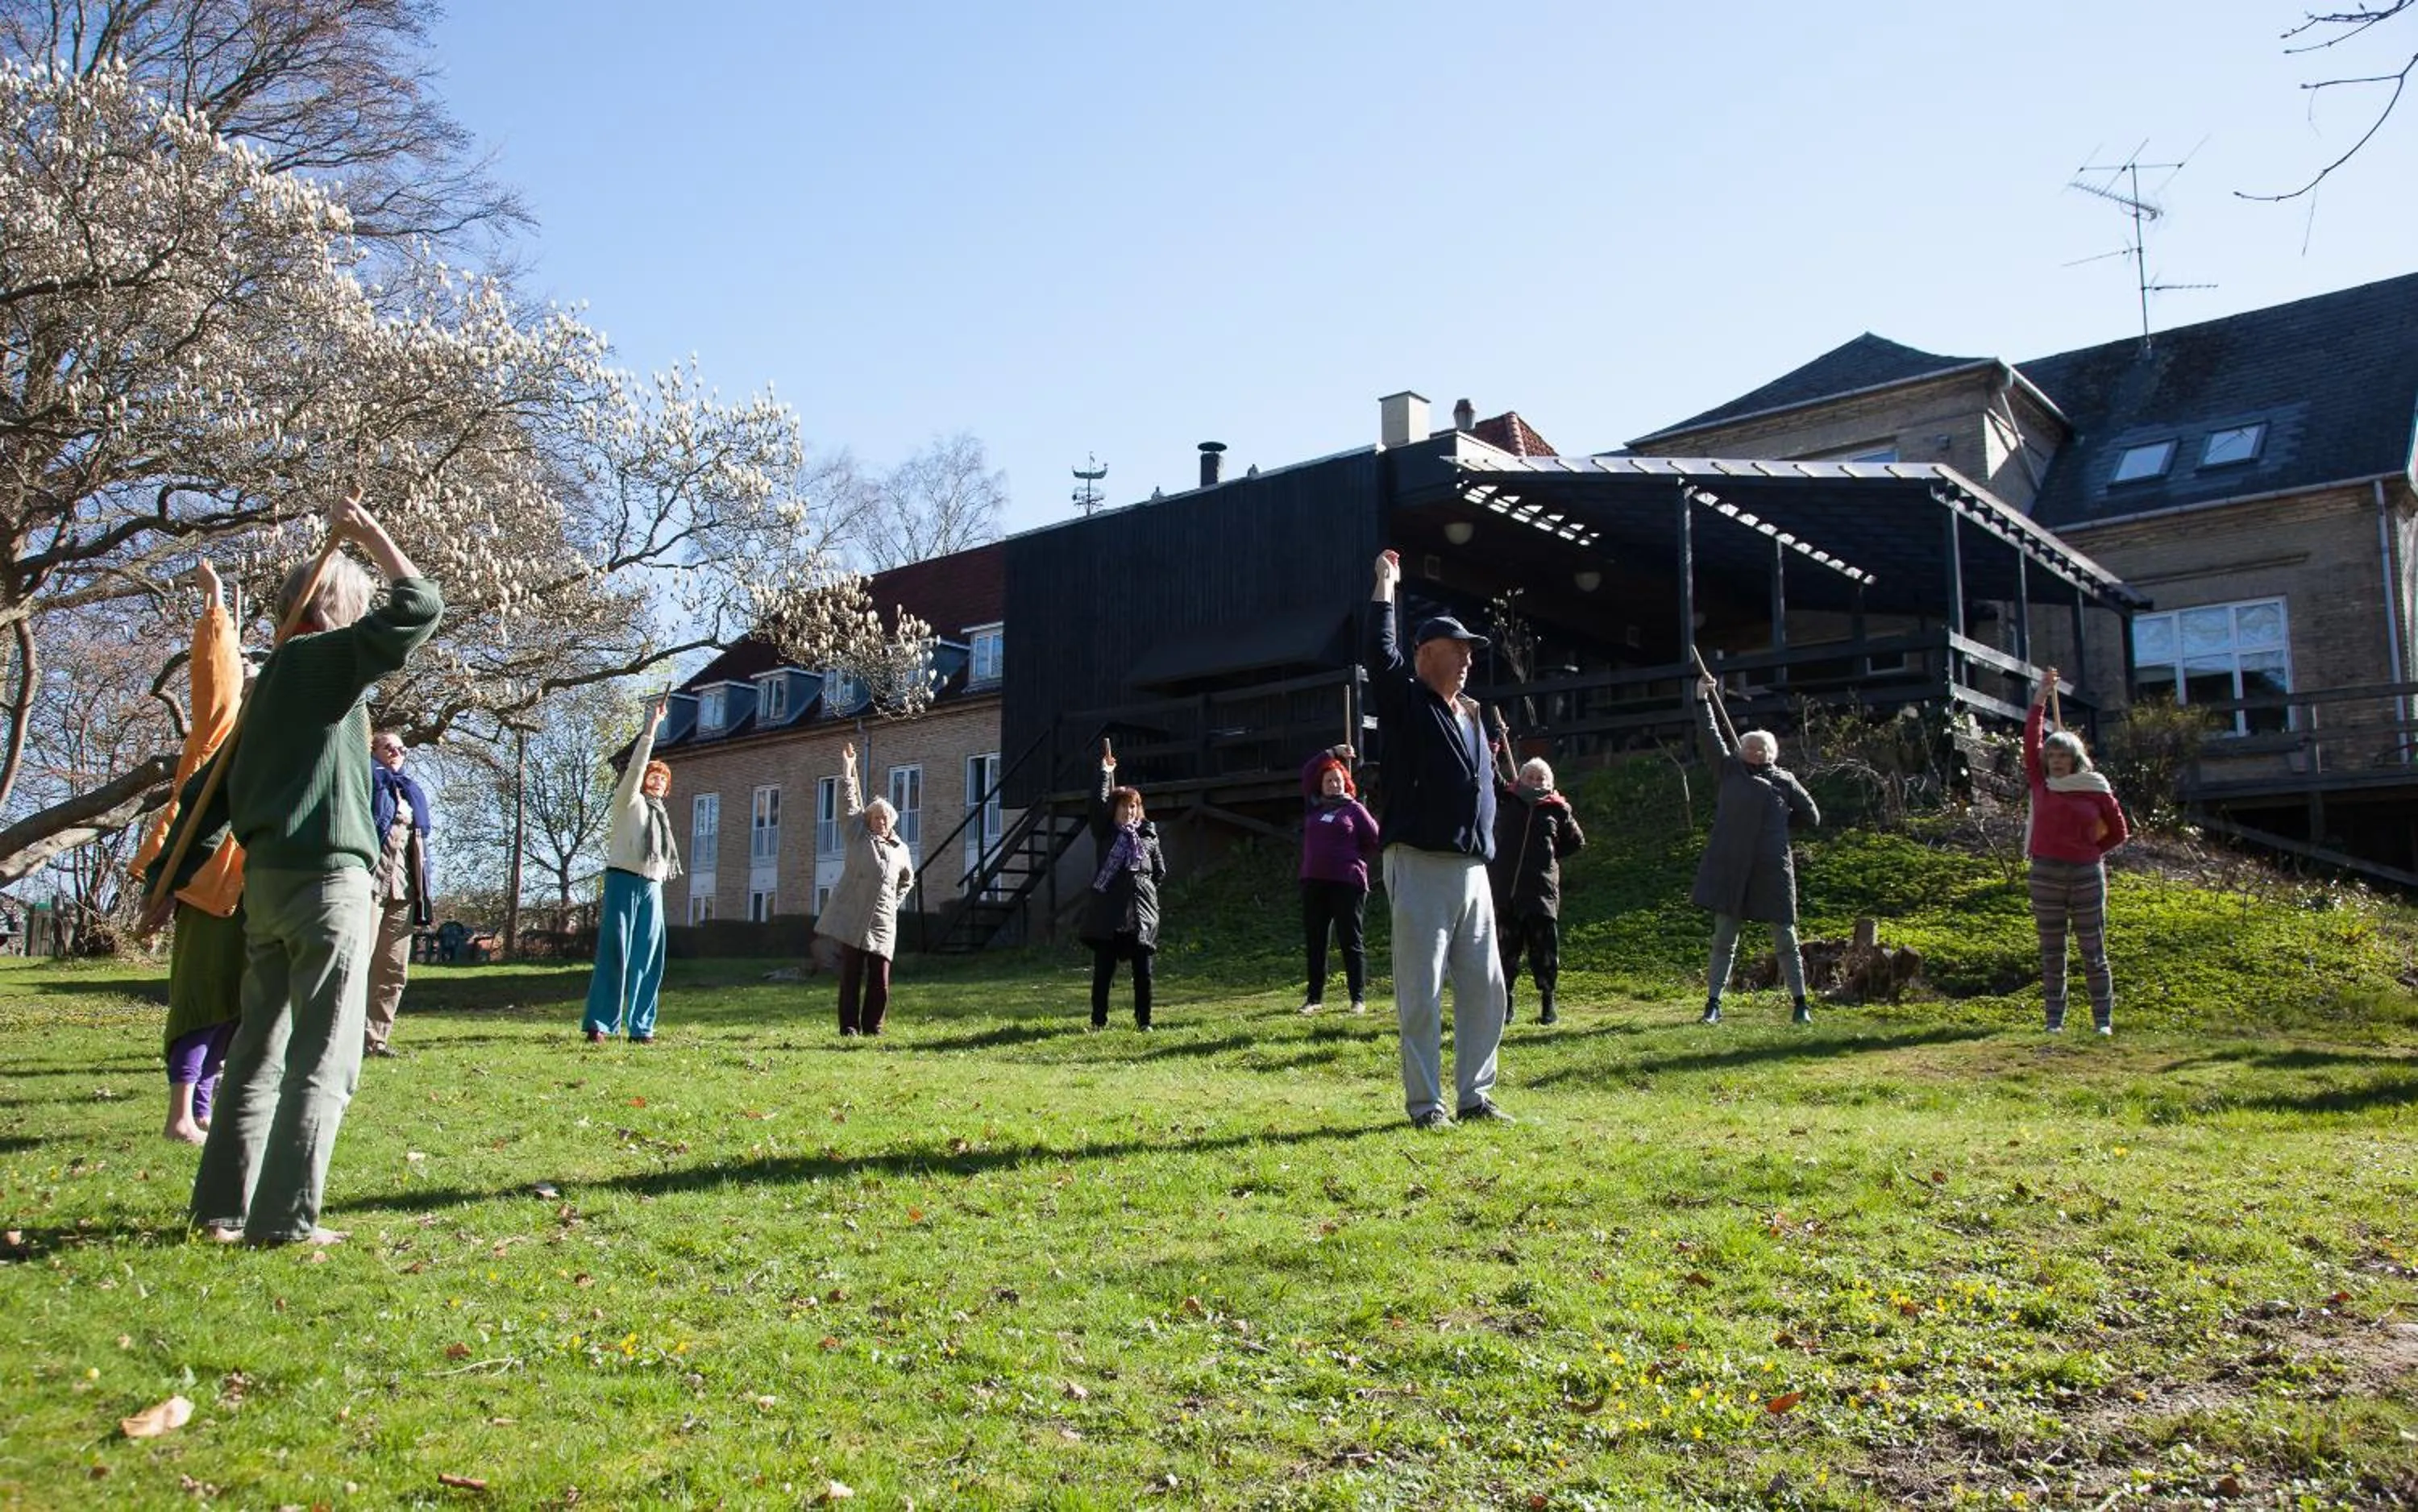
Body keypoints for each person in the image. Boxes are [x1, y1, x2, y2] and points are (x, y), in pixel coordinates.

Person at [188, 493, 442, 1247]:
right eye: (357, 607)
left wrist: (174, 884)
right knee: (324, 1058)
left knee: (256, 1053)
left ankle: (220, 1211)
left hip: (264, 888)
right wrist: (376, 537)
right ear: (335, 610)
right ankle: (285, 1221)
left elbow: (215, 798)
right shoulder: (309, 665)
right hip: (325, 883)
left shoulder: (266, 688)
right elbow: (420, 606)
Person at [1365, 550, 1511, 1128]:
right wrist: (1385, 586)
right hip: (1418, 861)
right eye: (1460, 651)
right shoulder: (1407, 702)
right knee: (1421, 993)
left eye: (1472, 652)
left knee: (1486, 990)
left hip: (1473, 869)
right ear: (1426, 656)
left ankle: (1475, 1097)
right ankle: (1426, 1105)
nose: (1469, 660)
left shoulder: (1473, 715)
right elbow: (1380, 653)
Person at [130, 561, 249, 1145]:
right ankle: (182, 1113)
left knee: (232, 1000)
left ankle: (203, 1109)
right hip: (209, 882)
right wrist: (217, 605)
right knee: (203, 997)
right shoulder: (221, 735)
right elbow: (217, 676)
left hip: (244, 885)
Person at [1691, 673, 1821, 1025]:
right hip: (1733, 867)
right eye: (1749, 746)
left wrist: (1778, 825)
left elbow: (1812, 816)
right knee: (1724, 938)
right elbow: (1710, 737)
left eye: (1761, 748)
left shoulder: (1784, 781)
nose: (1754, 751)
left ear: (1772, 753)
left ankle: (1800, 1003)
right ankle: (1713, 1004)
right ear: (1741, 750)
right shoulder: (1729, 770)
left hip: (1771, 869)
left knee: (1785, 938)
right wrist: (1702, 700)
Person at [2026, 666, 2129, 1035]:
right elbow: (2030, 737)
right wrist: (2041, 695)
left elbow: (2119, 832)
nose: (2056, 761)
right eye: (2051, 755)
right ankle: (2055, 1020)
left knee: (2093, 950)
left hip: (2086, 873)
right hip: (2046, 873)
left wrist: (2090, 851)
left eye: (2062, 756)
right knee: (2053, 952)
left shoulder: (2094, 787)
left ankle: (2102, 1020)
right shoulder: (2043, 784)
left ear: (2075, 759)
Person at [584, 698, 679, 1045]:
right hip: (623, 880)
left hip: (651, 886)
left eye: (662, 780)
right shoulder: (630, 801)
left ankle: (642, 1026)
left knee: (648, 956)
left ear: (666, 789)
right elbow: (637, 766)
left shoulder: (662, 817)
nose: (655, 782)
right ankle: (600, 1024)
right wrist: (651, 730)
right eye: (653, 777)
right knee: (615, 950)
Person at [814, 741, 916, 1036]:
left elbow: (907, 880)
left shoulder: (901, 850)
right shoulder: (859, 836)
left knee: (880, 979)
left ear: (892, 822)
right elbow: (849, 806)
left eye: (885, 818)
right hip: (853, 917)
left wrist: (893, 902)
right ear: (868, 821)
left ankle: (874, 1026)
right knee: (850, 975)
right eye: (875, 817)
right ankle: (849, 1026)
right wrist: (847, 769)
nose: (880, 821)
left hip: (884, 922)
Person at [1490, 754, 1586, 1026]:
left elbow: (1576, 842)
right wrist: (1492, 745)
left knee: (1544, 950)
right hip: (1506, 890)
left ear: (1550, 782)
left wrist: (1549, 858)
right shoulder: (1507, 799)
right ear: (1520, 778)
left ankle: (1548, 1003)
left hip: (1541, 891)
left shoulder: (1558, 809)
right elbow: (1490, 771)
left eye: (1540, 777)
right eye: (1530, 777)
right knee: (1506, 950)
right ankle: (1506, 1003)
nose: (1535, 781)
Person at [1082, 741, 1165, 1030]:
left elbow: (1159, 872)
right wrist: (1106, 773)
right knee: (1103, 972)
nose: (1129, 812)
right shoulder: (1105, 833)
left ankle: (1145, 1022)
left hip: (1140, 914)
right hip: (1109, 915)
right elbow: (1097, 803)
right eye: (1123, 807)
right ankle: (1098, 1022)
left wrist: (1144, 892)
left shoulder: (1148, 836)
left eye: (1133, 807)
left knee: (1144, 973)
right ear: (1114, 811)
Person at [362, 729, 433, 1057]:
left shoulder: (411, 791)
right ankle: (338, 1037)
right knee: (356, 963)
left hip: (403, 890)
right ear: (372, 749)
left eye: (401, 749)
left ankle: (374, 1040)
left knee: (392, 969)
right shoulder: (366, 781)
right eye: (388, 747)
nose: (396, 752)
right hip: (368, 884)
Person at [1298, 745, 1381, 1016]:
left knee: (1350, 940)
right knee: (1316, 940)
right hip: (1314, 881)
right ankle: (1314, 999)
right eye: (1328, 781)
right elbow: (1309, 770)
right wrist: (1332, 752)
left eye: (1338, 780)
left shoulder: (1354, 809)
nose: (1333, 784)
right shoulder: (1314, 807)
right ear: (1321, 785)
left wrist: (1353, 860)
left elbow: (1375, 839)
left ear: (1346, 783)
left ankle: (1357, 999)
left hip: (1347, 883)